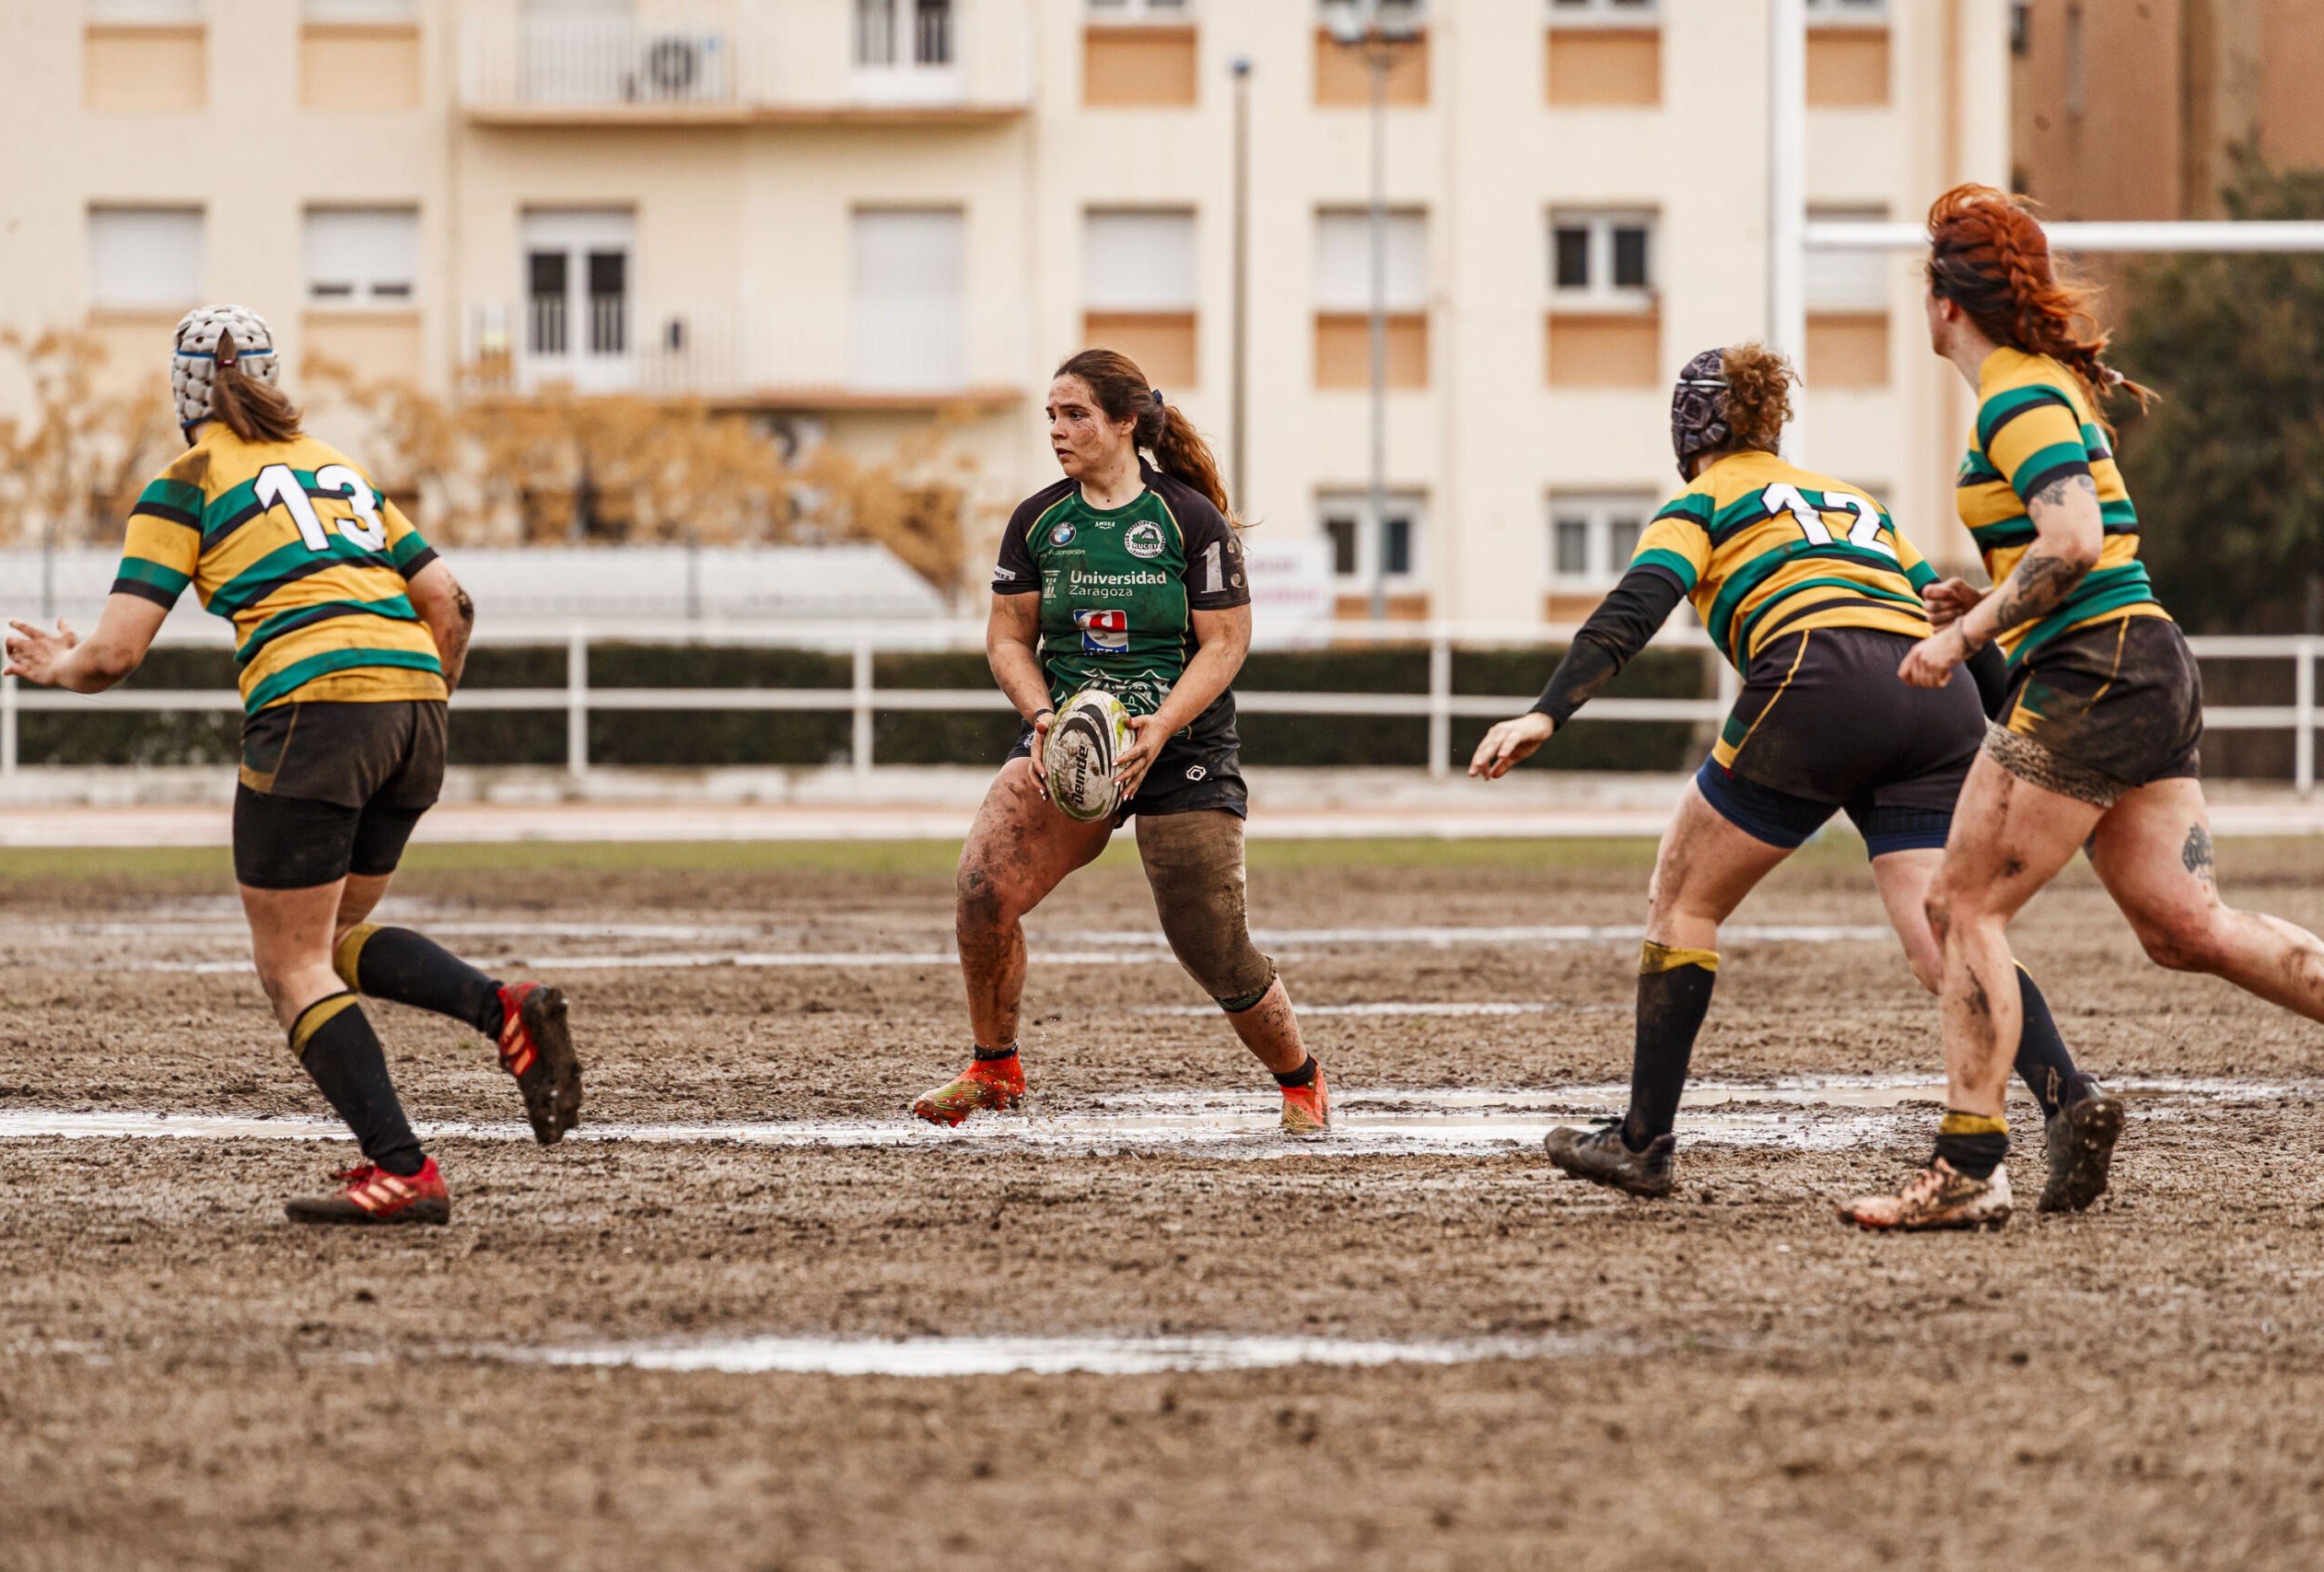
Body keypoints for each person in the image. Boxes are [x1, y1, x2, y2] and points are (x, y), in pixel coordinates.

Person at [1470, 343, 2116, 1212]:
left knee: (1683, 896)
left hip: (1820, 676)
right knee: (1947, 938)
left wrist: (1549, 709)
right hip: (1937, 695)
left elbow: (1639, 601)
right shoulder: (1859, 504)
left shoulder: (1702, 498)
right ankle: (2068, 1095)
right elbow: (1954, 625)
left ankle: (1643, 1139)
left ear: (1688, 426)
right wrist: (2022, 736)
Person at [2, 305, 582, 1226]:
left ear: (181, 394)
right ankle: (499, 1009)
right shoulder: (337, 468)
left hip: (317, 712)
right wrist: (418, 700)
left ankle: (404, 1171)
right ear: (272, 378)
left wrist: (56, 665)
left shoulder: (186, 481)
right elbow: (452, 603)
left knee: (292, 968)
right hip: (414, 708)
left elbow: (113, 656)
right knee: (340, 935)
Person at [1839, 187, 2324, 1228]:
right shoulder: (2044, 386)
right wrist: (1990, 601)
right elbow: (2064, 549)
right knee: (2187, 929)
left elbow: (2072, 544)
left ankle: (1966, 1169)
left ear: (1942, 303)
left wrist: (1963, 638)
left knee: (1959, 906)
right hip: (2139, 657)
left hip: (2095, 669)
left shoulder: (2014, 396)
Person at [908, 349, 1329, 1135]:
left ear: (1125, 421)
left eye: (1075, 415)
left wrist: (1161, 724)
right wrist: (1042, 718)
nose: (1058, 431)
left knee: (1211, 942)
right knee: (981, 891)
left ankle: (1300, 1081)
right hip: (1068, 745)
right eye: (1052, 416)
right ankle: (994, 1070)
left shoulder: (1188, 519)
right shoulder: (1038, 520)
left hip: (1183, 747)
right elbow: (1007, 640)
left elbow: (1226, 643)